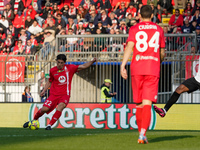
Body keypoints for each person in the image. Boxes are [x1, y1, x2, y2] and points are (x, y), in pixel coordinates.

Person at [120, 5, 165, 144]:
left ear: (139, 15)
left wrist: (123, 65)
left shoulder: (134, 29)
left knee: (139, 103)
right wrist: (159, 60)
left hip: (136, 68)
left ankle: (141, 134)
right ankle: (142, 134)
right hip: (152, 68)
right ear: (152, 15)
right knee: (147, 102)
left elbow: (130, 46)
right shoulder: (159, 29)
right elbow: (162, 52)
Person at [23, 54, 97, 130]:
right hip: (54, 95)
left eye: (62, 63)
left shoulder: (70, 68)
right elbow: (49, 81)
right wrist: (44, 90)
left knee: (61, 106)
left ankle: (49, 125)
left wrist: (92, 61)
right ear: (56, 62)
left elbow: (83, 66)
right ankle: (33, 121)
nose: (60, 64)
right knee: (44, 109)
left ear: (64, 63)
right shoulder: (52, 70)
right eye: (58, 62)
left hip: (65, 94)